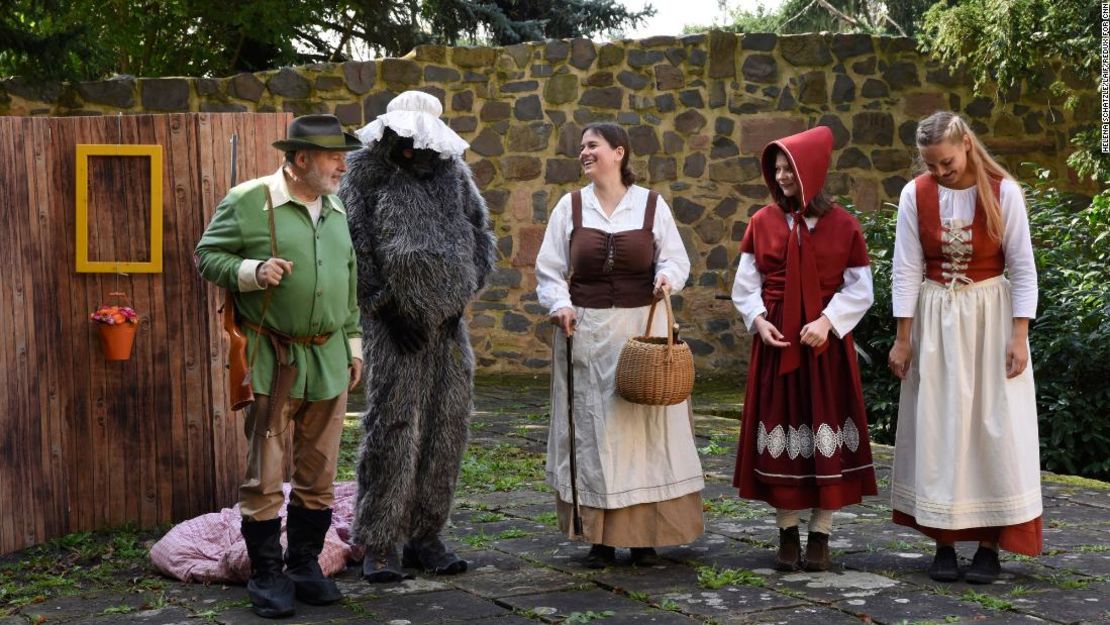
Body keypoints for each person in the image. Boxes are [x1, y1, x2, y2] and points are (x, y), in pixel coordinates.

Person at [194, 114, 363, 618]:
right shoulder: (250, 200)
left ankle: (304, 565)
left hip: (330, 359)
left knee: (320, 471)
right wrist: (252, 271)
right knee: (265, 473)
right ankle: (267, 572)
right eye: (335, 156)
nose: (343, 165)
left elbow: (349, 282)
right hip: (274, 360)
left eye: (343, 154)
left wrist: (353, 346)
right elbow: (207, 255)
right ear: (301, 158)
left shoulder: (336, 208)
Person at [340, 91, 496, 582]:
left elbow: (480, 238)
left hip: (448, 331)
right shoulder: (365, 173)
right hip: (393, 330)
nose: (410, 149)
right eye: (402, 139)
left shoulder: (455, 176)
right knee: (392, 428)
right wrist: (385, 306)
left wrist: (458, 301)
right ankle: (380, 541)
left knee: (446, 428)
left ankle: (427, 534)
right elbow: (353, 245)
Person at [535, 122, 704, 569]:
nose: (584, 153)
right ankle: (601, 538)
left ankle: (646, 537)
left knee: (645, 432)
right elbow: (550, 270)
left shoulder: (651, 204)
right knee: (595, 434)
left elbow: (675, 258)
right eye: (582, 147)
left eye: (593, 146)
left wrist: (667, 276)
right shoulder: (570, 207)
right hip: (587, 333)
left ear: (619, 152)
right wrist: (560, 304)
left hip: (642, 332)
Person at [889, 110, 1041, 584]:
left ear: (967, 146)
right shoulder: (915, 194)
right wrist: (903, 337)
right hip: (936, 318)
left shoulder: (1004, 192)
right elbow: (905, 268)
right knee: (940, 426)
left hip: (991, 317)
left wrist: (1020, 335)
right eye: (931, 164)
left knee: (993, 428)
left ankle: (991, 546)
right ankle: (944, 543)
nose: (939, 172)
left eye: (946, 163)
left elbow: (1024, 269)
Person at [731, 126, 877, 572]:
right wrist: (758, 321)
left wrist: (829, 323)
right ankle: (787, 533)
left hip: (824, 349)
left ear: (809, 171)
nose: (781, 178)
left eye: (788, 168)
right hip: (778, 345)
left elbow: (860, 288)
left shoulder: (843, 225)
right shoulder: (762, 222)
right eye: (775, 170)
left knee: (822, 432)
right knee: (782, 429)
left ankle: (821, 535)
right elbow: (745, 285)